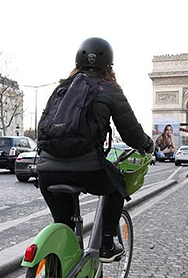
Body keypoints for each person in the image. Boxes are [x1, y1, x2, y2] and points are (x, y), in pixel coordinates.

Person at [37, 37, 155, 263]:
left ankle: (57, 277)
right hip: (88, 168)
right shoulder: (110, 90)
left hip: (47, 170)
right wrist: (147, 145)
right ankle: (107, 244)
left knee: (63, 224)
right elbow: (131, 133)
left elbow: (43, 128)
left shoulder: (61, 88)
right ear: (109, 66)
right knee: (116, 187)